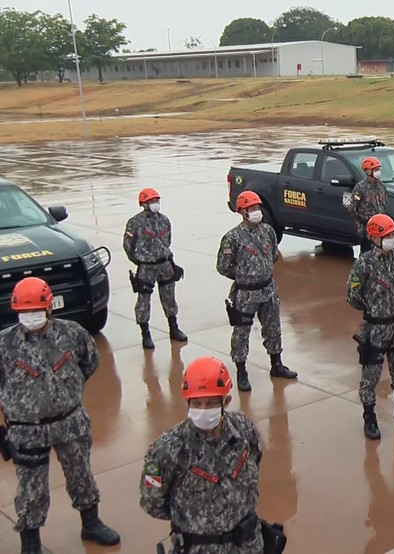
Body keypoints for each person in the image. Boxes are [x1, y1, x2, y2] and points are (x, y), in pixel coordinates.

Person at [0, 277, 119, 553]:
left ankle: (91, 523)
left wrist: (64, 395)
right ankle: (30, 542)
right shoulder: (4, 344)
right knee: (31, 487)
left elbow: (89, 362)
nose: (30, 316)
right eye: (24, 311)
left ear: (49, 307)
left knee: (81, 474)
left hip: (70, 422)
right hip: (27, 430)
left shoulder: (72, 333)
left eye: (35, 310)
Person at [140, 356, 265, 553]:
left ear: (226, 401)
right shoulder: (166, 450)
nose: (203, 410)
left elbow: (256, 457)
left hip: (248, 545)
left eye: (210, 403)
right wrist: (193, 518)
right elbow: (152, 501)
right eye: (197, 404)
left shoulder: (243, 429)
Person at [346, 214, 394, 440]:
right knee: (370, 376)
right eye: (386, 235)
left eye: (391, 234)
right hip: (375, 328)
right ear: (374, 238)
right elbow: (352, 295)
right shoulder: (363, 264)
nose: (391, 238)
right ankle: (369, 418)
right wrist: (373, 309)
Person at [217, 191, 297, 392]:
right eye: (251, 209)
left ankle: (276, 364)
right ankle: (241, 370)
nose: (256, 212)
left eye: (257, 208)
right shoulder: (232, 237)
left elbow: (273, 255)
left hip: (268, 289)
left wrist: (263, 271)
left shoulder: (268, 231)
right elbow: (223, 266)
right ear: (242, 212)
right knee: (241, 332)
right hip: (245, 293)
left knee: (273, 328)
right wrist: (245, 276)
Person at [124, 187, 187, 350]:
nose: (155, 204)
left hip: (165, 264)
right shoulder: (135, 222)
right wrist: (139, 260)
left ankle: (174, 328)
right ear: (144, 204)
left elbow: (168, 240)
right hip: (146, 267)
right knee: (144, 301)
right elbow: (128, 245)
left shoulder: (165, 220)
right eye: (152, 201)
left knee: (169, 298)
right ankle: (146, 335)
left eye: (156, 201)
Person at [347, 156, 388, 252]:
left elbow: (384, 205)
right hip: (367, 227)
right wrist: (361, 226)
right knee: (366, 254)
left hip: (380, 227)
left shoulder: (382, 187)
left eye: (379, 169)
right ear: (368, 171)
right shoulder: (360, 188)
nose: (378, 171)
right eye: (375, 169)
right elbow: (353, 208)